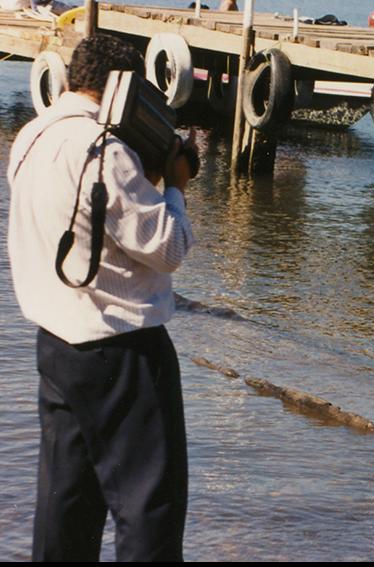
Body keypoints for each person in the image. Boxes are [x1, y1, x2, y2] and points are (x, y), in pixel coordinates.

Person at [6, 34, 195, 561]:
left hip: (56, 347)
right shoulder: (106, 151)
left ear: (71, 77)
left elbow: (91, 221)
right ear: (124, 88)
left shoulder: (32, 136)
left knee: (66, 503)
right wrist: (175, 185)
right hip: (123, 348)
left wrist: (147, 179)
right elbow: (168, 247)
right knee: (148, 511)